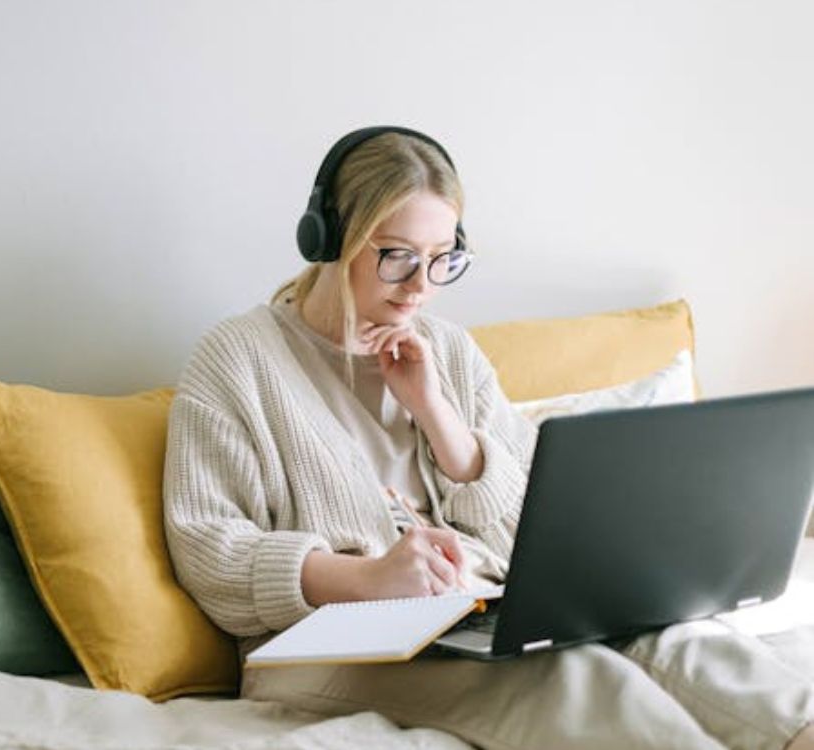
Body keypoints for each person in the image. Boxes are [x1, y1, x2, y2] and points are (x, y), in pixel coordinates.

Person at [162, 125, 814, 750]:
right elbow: (210, 552)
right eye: (397, 257)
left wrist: (438, 415)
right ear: (330, 238)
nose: (420, 286)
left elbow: (532, 526)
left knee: (685, 642)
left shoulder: (445, 349)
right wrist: (368, 578)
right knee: (578, 683)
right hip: (322, 647)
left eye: (442, 260)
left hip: (480, 612)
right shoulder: (237, 358)